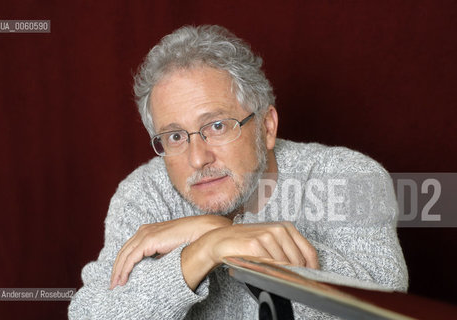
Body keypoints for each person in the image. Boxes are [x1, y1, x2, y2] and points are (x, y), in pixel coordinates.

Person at [68, 25, 408, 319]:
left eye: (217, 126)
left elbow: (383, 307)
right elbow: (92, 313)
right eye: (175, 136)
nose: (198, 158)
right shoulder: (144, 194)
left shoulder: (349, 177)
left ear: (267, 127)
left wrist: (229, 234)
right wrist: (205, 247)